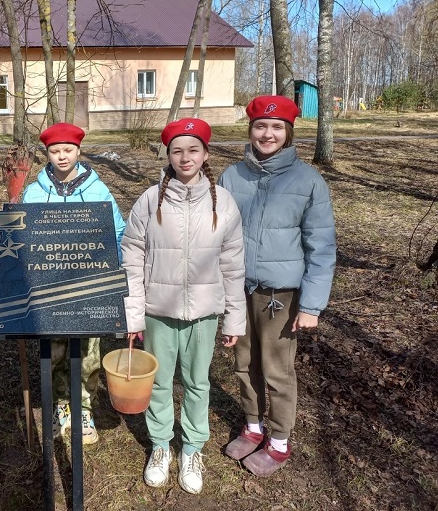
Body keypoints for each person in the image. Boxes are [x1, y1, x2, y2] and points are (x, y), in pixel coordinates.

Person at [121, 118, 246, 493]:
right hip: (158, 311)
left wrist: (234, 320)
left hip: (204, 314)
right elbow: (132, 255)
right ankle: (161, 446)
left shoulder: (222, 202)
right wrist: (133, 313)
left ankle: (191, 449)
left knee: (197, 382)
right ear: (168, 155)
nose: (185, 157)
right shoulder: (149, 199)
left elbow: (233, 261)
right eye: (177, 150)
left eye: (193, 150)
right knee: (159, 383)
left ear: (206, 154)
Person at [218, 96, 336, 477]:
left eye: (276, 127)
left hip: (280, 297)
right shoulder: (232, 176)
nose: (267, 134)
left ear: (288, 133)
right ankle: (253, 427)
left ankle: (280, 440)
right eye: (260, 126)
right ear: (250, 130)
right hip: (238, 289)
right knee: (243, 363)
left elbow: (322, 245)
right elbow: (216, 234)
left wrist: (312, 306)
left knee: (276, 369)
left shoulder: (308, 181)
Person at [21, 122, 126, 445]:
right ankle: (58, 406)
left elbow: (117, 231)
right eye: (55, 151)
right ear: (47, 153)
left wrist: (112, 269)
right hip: (50, 287)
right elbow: (23, 234)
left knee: (89, 353)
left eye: (68, 150)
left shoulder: (96, 190)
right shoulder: (36, 191)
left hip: (89, 286)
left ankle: (81, 407)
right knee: (53, 351)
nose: (62, 156)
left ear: (79, 151)